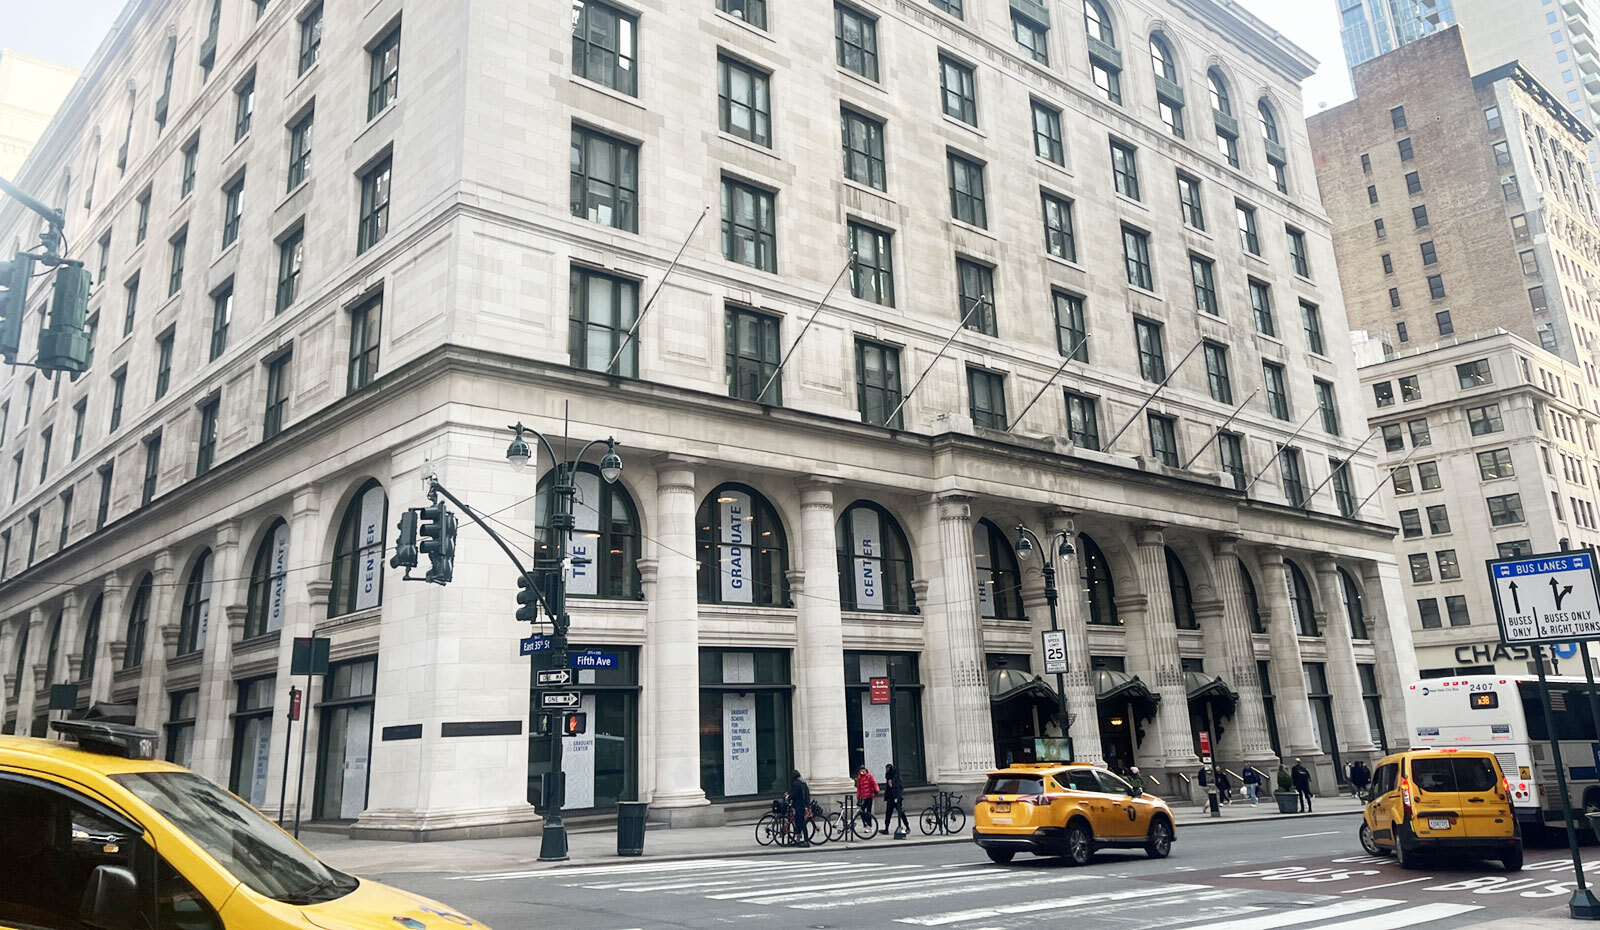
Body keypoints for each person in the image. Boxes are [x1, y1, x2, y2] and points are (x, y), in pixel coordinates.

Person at [881, 763, 909, 837]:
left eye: (887, 768)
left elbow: (900, 787)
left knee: (901, 813)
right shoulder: (888, 777)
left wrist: (898, 797)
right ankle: (886, 828)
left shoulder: (895, 777)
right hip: (890, 798)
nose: (886, 770)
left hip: (896, 798)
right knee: (888, 813)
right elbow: (888, 787)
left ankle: (907, 826)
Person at [789, 769, 811, 846]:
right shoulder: (803, 783)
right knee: (798, 822)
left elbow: (794, 794)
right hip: (802, 805)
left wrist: (788, 797)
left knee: (801, 823)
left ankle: (806, 841)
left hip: (799, 805)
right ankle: (798, 840)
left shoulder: (796, 783)